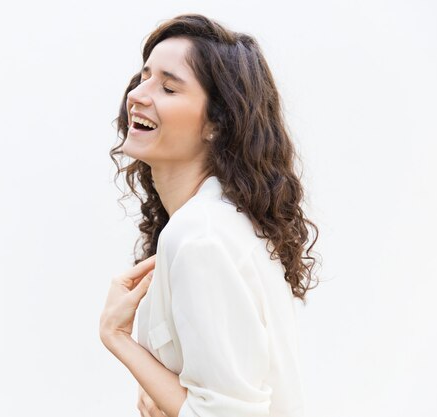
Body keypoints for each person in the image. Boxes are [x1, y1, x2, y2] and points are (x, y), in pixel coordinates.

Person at [99, 13, 320, 417]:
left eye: (168, 86)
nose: (138, 95)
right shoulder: (216, 222)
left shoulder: (201, 236)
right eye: (142, 76)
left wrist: (118, 338)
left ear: (216, 124)